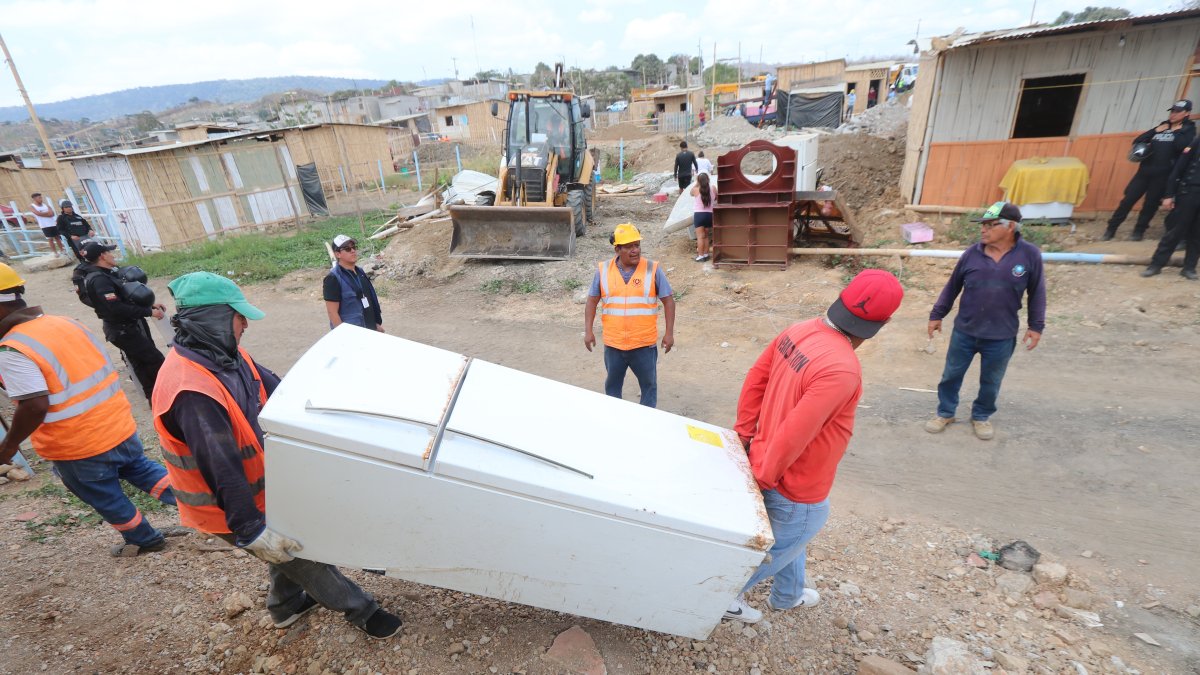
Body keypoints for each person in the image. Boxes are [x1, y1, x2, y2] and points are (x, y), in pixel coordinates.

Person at [151, 271, 403, 638]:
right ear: (214, 320)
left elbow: (282, 391)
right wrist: (250, 528)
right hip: (223, 503)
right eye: (239, 318)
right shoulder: (191, 390)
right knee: (300, 555)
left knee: (284, 541)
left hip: (258, 486)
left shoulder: (227, 357)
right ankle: (362, 610)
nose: (245, 326)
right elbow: (221, 467)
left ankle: (285, 606)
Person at [724, 270, 904, 624]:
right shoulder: (842, 369)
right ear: (883, 323)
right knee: (787, 539)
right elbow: (795, 432)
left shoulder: (800, 330)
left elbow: (756, 380)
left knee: (794, 540)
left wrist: (745, 437)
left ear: (843, 297)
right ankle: (720, 596)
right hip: (795, 484)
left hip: (764, 459)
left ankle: (787, 596)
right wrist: (762, 480)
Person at [0, 263, 179, 557]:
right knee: (145, 472)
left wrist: (8, 446)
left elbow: (34, 404)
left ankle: (145, 540)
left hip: (77, 445)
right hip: (116, 426)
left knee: (106, 497)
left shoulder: (13, 349)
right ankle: (207, 506)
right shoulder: (65, 322)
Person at [925, 202, 1045, 440]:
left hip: (1002, 334)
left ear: (1010, 226)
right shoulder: (972, 253)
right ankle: (945, 412)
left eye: (991, 225)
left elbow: (1037, 292)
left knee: (991, 380)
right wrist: (937, 314)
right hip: (965, 331)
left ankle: (981, 416)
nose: (984, 230)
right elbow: (953, 287)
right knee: (951, 375)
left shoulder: (1029, 255)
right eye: (983, 225)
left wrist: (1036, 326)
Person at [583, 224, 675, 408]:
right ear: (617, 249)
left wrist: (669, 333)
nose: (635, 251)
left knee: (649, 386)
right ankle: (616, 422)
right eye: (629, 247)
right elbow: (592, 301)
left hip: (643, 345)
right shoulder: (603, 270)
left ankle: (646, 422)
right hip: (614, 344)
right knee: (612, 388)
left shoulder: (652, 269)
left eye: (637, 245)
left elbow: (669, 301)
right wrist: (588, 331)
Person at [74, 240, 166, 400]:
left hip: (126, 326)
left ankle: (156, 398)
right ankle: (161, 397)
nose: (112, 255)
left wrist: (150, 305)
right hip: (122, 329)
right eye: (109, 252)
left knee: (142, 364)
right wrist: (148, 312)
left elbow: (123, 299)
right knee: (155, 361)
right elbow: (116, 308)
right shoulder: (100, 279)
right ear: (102, 256)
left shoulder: (104, 274)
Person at [1105, 100, 1196, 241]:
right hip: (1145, 171)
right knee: (1128, 200)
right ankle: (1111, 229)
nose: (1173, 114)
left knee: (1150, 204)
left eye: (1178, 112)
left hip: (1164, 174)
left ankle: (1138, 232)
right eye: (1172, 111)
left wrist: (1174, 131)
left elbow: (1181, 146)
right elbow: (1138, 140)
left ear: (1187, 113)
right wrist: (1155, 131)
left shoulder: (1188, 129)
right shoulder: (1162, 126)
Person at [1142, 128, 1200, 280]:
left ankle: (1189, 268)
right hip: (1189, 192)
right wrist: (1169, 195)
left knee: (1197, 234)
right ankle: (1156, 265)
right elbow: (1178, 169)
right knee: (1176, 230)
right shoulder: (1196, 142)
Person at [323, 235, 384, 332]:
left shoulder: (360, 272)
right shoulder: (332, 279)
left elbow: (368, 301)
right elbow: (332, 313)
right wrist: (345, 336)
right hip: (352, 335)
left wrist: (375, 324)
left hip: (370, 330)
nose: (352, 251)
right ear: (338, 254)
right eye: (347, 249)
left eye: (354, 247)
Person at [28, 192, 64, 257]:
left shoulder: (46, 205)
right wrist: (47, 214)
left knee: (57, 237)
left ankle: (62, 250)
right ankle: (55, 252)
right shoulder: (32, 206)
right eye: (39, 198)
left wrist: (43, 213)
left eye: (41, 197)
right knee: (50, 239)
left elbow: (52, 214)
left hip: (52, 223)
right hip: (44, 225)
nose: (41, 199)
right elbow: (37, 213)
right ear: (34, 199)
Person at [690, 173, 717, 262]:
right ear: (708, 179)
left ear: (698, 180)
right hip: (710, 215)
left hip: (699, 215)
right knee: (705, 236)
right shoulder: (713, 188)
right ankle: (706, 254)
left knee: (700, 237)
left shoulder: (696, 190)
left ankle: (700, 256)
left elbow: (690, 193)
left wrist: (697, 183)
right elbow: (716, 197)